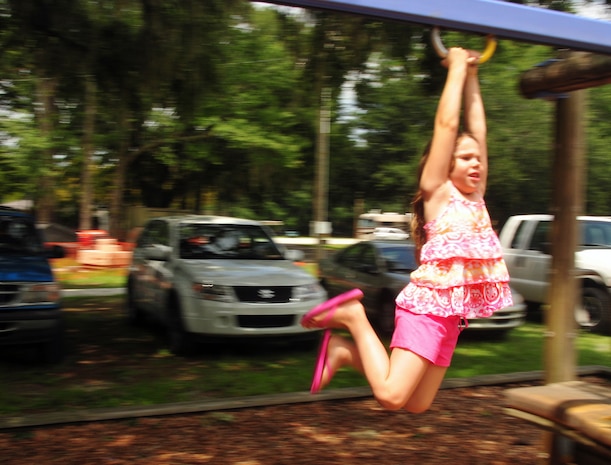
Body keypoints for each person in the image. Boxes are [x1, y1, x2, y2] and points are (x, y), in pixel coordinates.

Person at [301, 47, 513, 413]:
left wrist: (475, 77)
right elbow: (448, 126)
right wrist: (457, 70)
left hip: (451, 320)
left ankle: (345, 351)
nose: (476, 162)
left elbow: (478, 128)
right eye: (465, 158)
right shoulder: (439, 193)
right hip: (427, 310)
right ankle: (353, 315)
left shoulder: (475, 196)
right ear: (444, 164)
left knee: (416, 404)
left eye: (478, 158)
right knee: (391, 396)